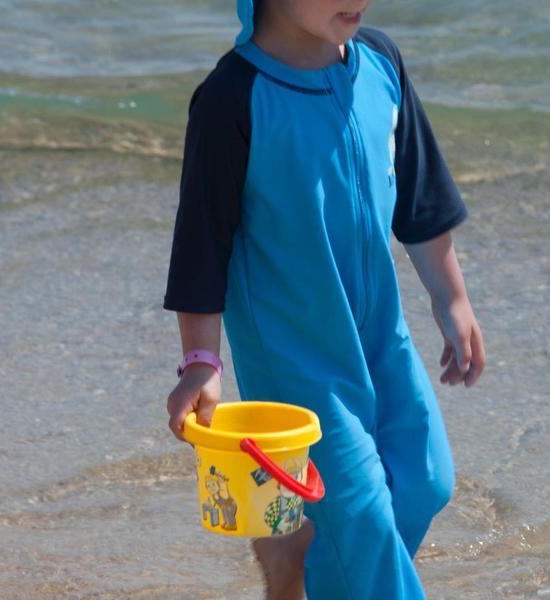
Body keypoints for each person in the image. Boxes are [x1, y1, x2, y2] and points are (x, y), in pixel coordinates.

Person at [164, 0, 486, 598]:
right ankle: (322, 560)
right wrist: (201, 362)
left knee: (426, 481)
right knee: (359, 514)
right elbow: (201, 243)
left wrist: (453, 300)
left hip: (380, 338)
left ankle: (301, 555)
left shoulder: (380, 63)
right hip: (294, 359)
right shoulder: (233, 97)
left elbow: (420, 198)